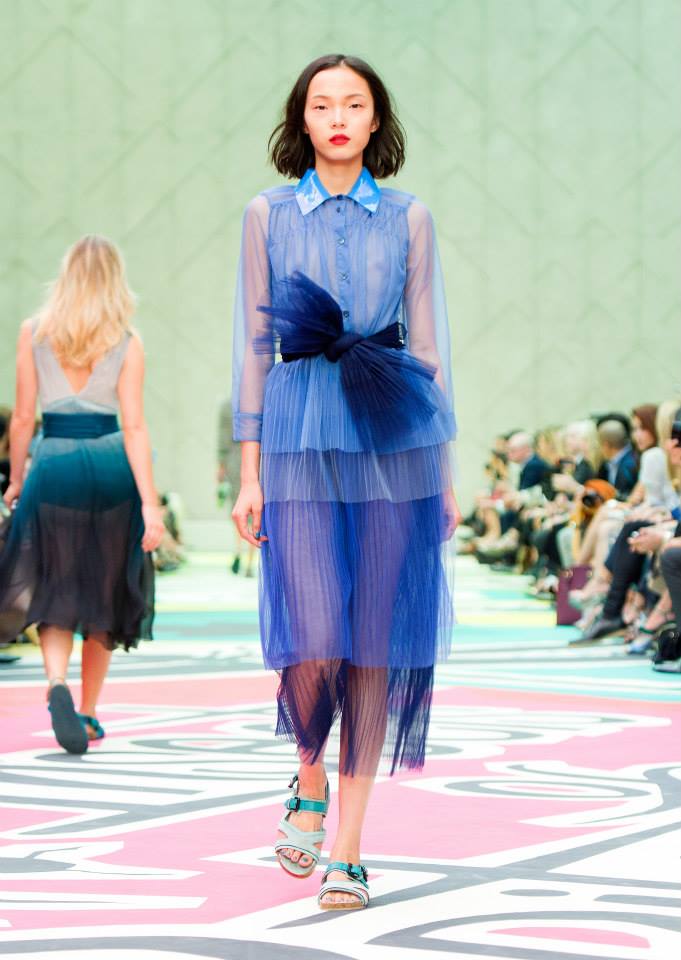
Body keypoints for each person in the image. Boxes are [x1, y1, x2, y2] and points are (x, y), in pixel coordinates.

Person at [230, 54, 459, 911]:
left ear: (374, 120)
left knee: (373, 643)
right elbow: (252, 347)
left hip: (392, 439)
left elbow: (428, 351)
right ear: (303, 118)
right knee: (314, 636)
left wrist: (441, 472)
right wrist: (247, 472)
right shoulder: (265, 215)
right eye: (322, 104)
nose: (336, 117)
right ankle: (308, 777)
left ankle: (349, 853)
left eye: (353, 104)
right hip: (296, 437)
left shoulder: (409, 218)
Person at [0, 236, 164, 753]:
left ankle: (56, 682)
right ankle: (89, 712)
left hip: (53, 465)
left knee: (56, 583)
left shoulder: (33, 334)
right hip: (111, 467)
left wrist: (17, 479)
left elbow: (22, 417)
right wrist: (150, 502)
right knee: (105, 590)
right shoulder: (127, 341)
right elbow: (134, 426)